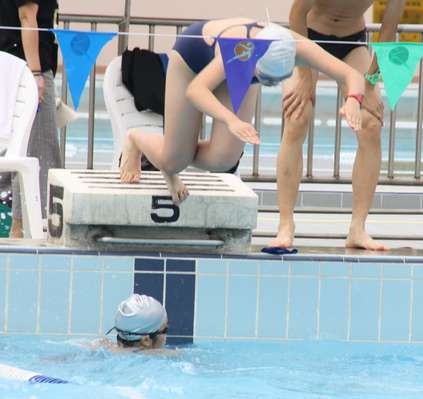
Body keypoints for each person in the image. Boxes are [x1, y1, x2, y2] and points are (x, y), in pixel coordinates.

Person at [119, 18, 375, 208]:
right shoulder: (241, 50)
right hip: (193, 60)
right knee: (174, 161)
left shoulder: (297, 46)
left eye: (273, 81)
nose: (267, 84)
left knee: (223, 160)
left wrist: (353, 100)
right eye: (263, 78)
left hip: (235, 69)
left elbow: (351, 74)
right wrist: (230, 120)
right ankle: (137, 139)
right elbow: (196, 91)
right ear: (255, 62)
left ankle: (176, 150)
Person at [265, 0, 407, 252]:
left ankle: (358, 228)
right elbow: (297, 13)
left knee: (370, 123)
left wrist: (370, 83)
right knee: (297, 116)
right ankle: (285, 224)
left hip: (351, 43)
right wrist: (305, 77)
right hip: (307, 38)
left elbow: (389, 27)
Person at [0, 0, 62, 238]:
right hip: (27, 68)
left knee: (24, 150)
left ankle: (20, 227)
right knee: (41, 152)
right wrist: (35, 74)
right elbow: (27, 16)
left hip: (18, 66)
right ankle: (41, 229)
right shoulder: (29, 73)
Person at [104, 294, 170, 351]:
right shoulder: (164, 358)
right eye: (165, 330)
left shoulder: (104, 349)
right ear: (146, 340)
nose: (166, 336)